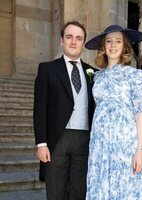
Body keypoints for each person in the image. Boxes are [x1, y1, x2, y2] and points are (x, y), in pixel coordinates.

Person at [85, 25, 142, 199]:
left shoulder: (134, 76)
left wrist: (140, 150)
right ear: (103, 47)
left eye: (118, 41)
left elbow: (140, 113)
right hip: (100, 144)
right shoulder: (98, 77)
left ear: (124, 47)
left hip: (124, 144)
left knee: (125, 188)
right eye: (109, 41)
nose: (113, 45)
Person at [33, 21, 96, 200]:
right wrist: (41, 143)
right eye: (69, 37)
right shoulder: (47, 69)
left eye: (79, 38)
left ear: (83, 43)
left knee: (80, 192)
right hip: (56, 140)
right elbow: (39, 109)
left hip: (84, 140)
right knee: (56, 192)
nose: (73, 42)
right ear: (62, 41)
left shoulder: (93, 72)